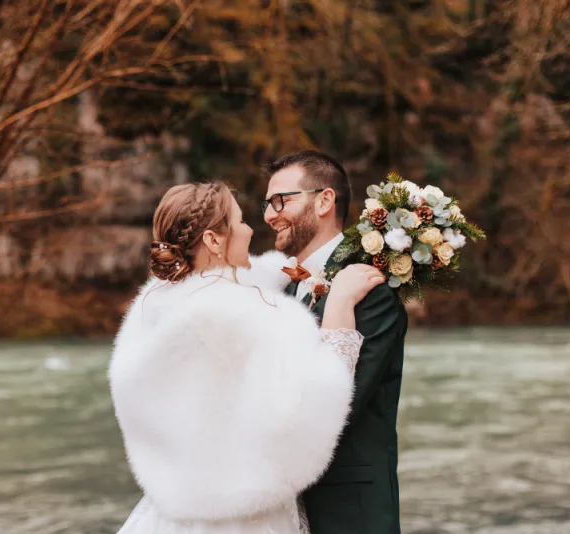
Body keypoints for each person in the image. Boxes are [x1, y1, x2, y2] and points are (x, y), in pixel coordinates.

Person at [109, 181, 385, 534]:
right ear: (213, 240)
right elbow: (310, 410)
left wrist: (277, 272)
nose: (250, 229)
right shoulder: (247, 313)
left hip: (175, 508)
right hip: (244, 516)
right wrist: (341, 305)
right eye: (239, 222)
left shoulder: (156, 304)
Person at [263, 150, 409, 534]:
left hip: (347, 512)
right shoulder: (286, 286)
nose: (268, 215)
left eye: (281, 200)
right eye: (266, 204)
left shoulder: (369, 288)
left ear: (325, 200)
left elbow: (341, 407)